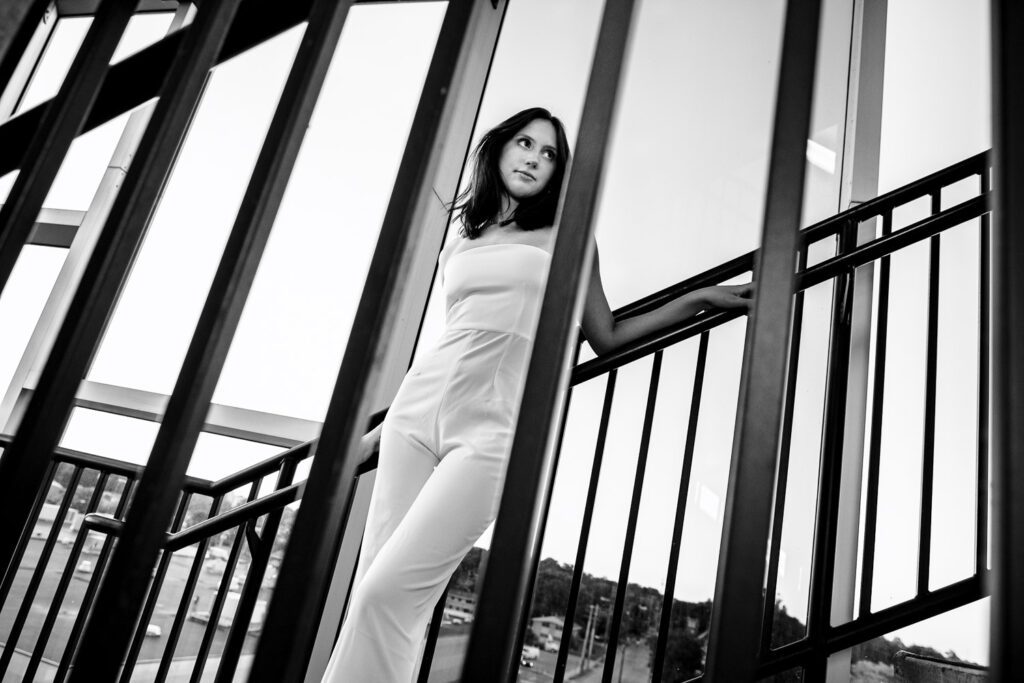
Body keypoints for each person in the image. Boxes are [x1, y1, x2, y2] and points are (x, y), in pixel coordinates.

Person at [320, 107, 752, 682]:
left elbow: (608, 336)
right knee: (375, 595)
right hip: (413, 419)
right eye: (525, 143)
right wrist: (371, 435)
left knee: (385, 594)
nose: (534, 158)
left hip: (495, 431)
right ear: (499, 149)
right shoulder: (464, 240)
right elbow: (452, 340)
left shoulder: (569, 238)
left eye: (550, 154)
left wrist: (699, 298)